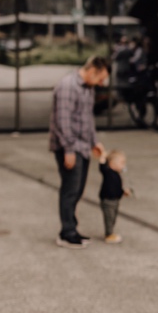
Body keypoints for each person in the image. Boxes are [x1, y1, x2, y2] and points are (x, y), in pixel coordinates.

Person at [48, 55, 110, 248]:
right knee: (70, 189)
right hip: (69, 148)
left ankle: (72, 228)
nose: (101, 83)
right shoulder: (68, 86)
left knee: (78, 189)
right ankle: (66, 233)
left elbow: (87, 118)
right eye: (100, 78)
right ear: (92, 71)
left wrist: (94, 141)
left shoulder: (88, 88)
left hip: (82, 146)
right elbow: (63, 121)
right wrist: (68, 150)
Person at [96, 148, 131, 244]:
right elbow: (102, 166)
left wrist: (123, 191)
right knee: (109, 217)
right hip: (108, 200)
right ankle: (109, 234)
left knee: (113, 217)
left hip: (115, 200)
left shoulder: (117, 174)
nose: (124, 166)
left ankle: (110, 232)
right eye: (122, 163)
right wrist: (103, 156)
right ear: (112, 164)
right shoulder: (108, 172)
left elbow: (116, 186)